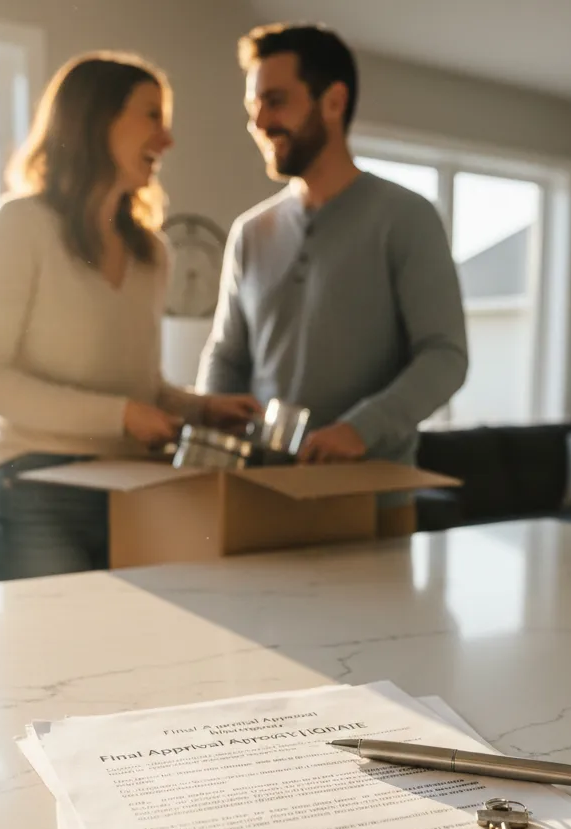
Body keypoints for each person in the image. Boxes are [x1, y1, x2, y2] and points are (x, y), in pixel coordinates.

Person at [0, 52, 259, 581]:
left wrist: (202, 409)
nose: (167, 141)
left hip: (135, 490)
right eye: (152, 117)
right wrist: (121, 416)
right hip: (37, 493)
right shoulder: (20, 227)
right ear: (97, 120)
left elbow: (141, 389)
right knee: (52, 660)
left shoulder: (152, 253)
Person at [199, 24, 468, 535]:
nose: (259, 120)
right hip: (260, 498)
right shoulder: (249, 233)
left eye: (275, 101)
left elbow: (445, 356)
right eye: (253, 105)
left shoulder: (406, 217)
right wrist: (213, 425)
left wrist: (357, 431)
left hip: (373, 501)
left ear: (333, 101)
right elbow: (227, 355)